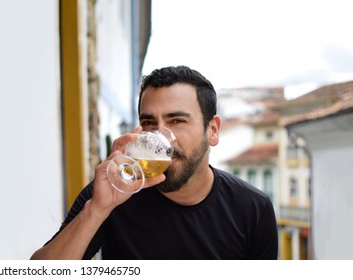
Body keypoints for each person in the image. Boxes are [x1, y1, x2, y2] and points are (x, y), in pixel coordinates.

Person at [31, 65, 278, 260]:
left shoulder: (252, 209)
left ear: (212, 130)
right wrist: (97, 210)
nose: (160, 139)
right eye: (149, 124)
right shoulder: (113, 194)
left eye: (177, 121)